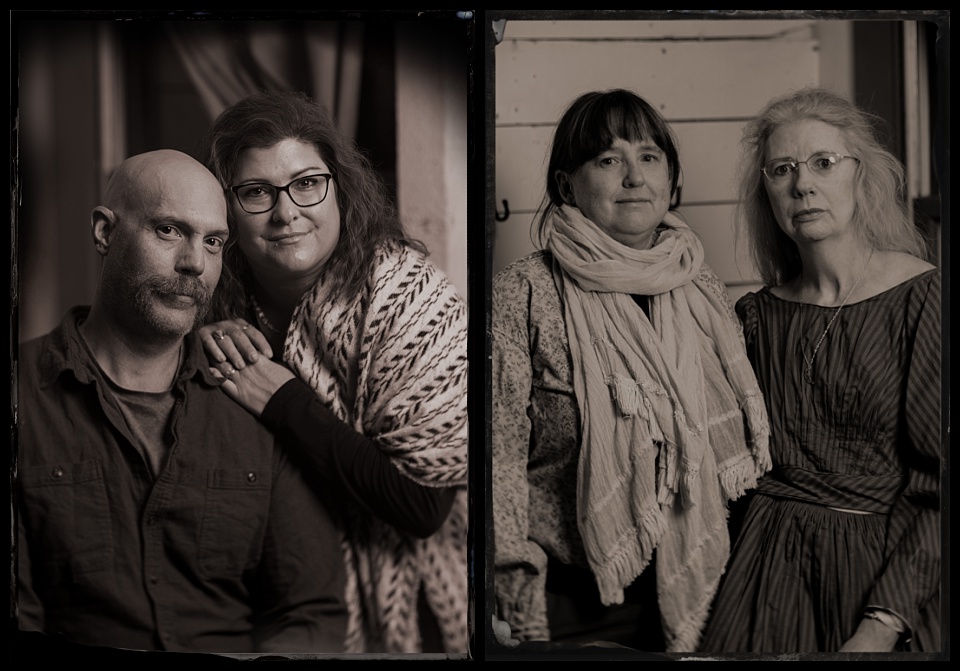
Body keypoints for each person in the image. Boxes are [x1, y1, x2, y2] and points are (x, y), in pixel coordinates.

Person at [15, 150, 348, 654]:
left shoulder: (254, 400)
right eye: (168, 231)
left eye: (213, 242)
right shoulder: (23, 397)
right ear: (105, 232)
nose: (195, 263)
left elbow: (310, 611)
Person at [492, 88, 771, 653]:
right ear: (567, 185)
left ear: (671, 179)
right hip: (574, 598)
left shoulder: (702, 286)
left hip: (707, 585)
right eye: (607, 159)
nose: (633, 177)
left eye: (648, 157)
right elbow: (498, 453)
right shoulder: (522, 291)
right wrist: (514, 587)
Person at [195, 91, 468, 654]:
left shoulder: (408, 298)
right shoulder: (212, 294)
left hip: (411, 590)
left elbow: (422, 506)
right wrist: (200, 341)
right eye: (255, 192)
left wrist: (284, 400)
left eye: (306, 183)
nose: (286, 211)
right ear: (226, 209)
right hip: (263, 591)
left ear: (339, 187)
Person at [698, 87, 941, 653]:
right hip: (765, 569)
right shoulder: (755, 315)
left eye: (823, 163)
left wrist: (882, 623)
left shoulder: (922, 297)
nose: (802, 184)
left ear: (862, 175)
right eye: (782, 170)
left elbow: (940, 486)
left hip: (884, 574)